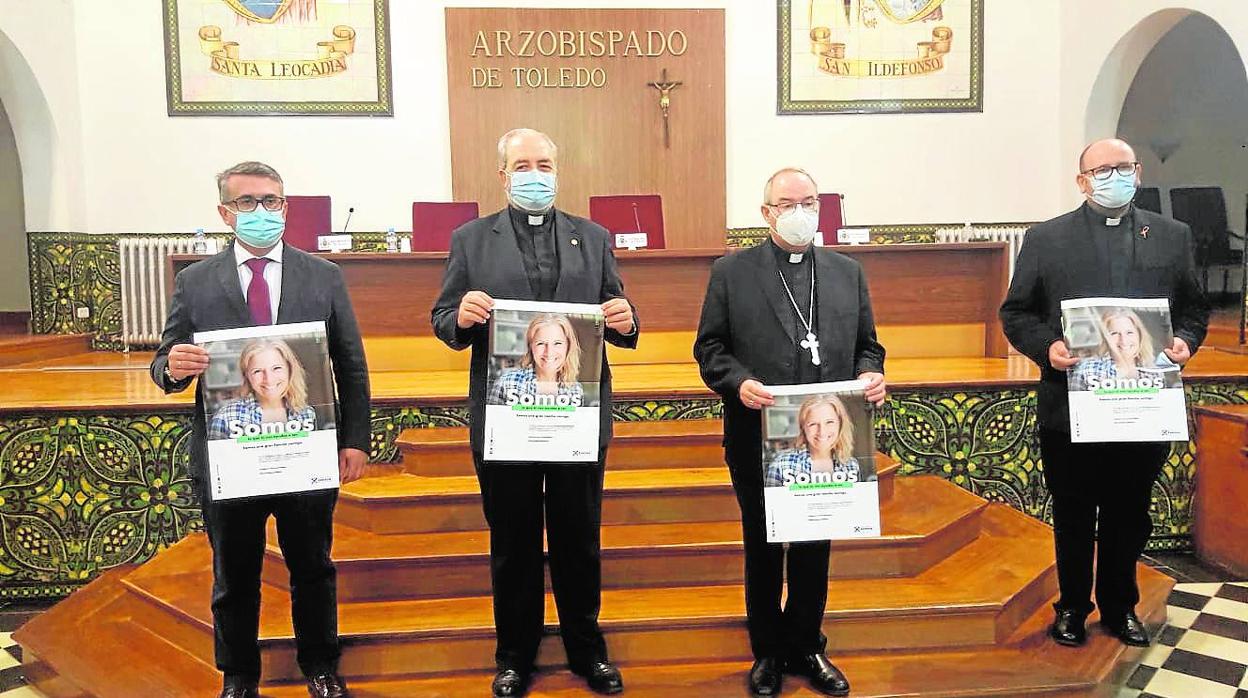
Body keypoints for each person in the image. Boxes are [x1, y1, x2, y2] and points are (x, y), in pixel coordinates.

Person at [150, 161, 370, 698]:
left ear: (285, 207)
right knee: (234, 576)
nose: (262, 212)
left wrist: (355, 439)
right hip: (231, 459)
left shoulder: (324, 276)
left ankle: (320, 666)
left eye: (271, 201)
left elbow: (350, 363)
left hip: (307, 455)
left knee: (313, 566)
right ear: (225, 213)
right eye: (248, 203)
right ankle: (240, 675)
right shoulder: (194, 282)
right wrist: (171, 367)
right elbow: (165, 363)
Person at [431, 128, 638, 698]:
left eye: (544, 164)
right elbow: (444, 319)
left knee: (578, 538)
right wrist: (462, 316)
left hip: (576, 415)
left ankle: (586, 649)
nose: (534, 174)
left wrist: (626, 319)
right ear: (502, 175)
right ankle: (515, 656)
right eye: (522, 165)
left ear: (558, 169)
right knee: (515, 541)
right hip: (508, 419)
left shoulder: (592, 238)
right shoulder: (471, 240)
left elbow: (618, 315)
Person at [1000, 138, 1208, 649]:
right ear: (1082, 180)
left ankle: (1120, 606)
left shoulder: (1172, 235)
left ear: (1137, 172)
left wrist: (1185, 341)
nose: (1114, 176)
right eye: (1102, 169)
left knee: (1129, 510)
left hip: (1143, 406)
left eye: (1123, 167)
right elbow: (1016, 312)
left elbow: (1193, 310)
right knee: (1072, 512)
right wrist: (1047, 347)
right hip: (1070, 405)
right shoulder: (1047, 239)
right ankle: (1071, 607)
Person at [694, 167, 886, 697]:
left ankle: (806, 645)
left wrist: (872, 374)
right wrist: (740, 383)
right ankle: (767, 654)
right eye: (786, 203)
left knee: (814, 545)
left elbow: (869, 344)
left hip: (828, 436)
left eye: (808, 202)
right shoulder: (732, 273)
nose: (799, 211)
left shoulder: (847, 271)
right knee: (763, 543)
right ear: (766, 213)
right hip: (758, 432)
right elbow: (710, 350)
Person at [209, 339, 317, 439]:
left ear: (290, 369)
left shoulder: (306, 414)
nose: (269, 379)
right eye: (257, 371)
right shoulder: (226, 417)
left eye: (276, 368)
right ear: (246, 376)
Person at [764, 394, 861, 488]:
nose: (822, 432)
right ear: (803, 427)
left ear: (840, 424)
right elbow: (772, 504)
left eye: (829, 422)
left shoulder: (851, 465)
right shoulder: (781, 464)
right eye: (813, 424)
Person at [1068, 308, 1175, 391]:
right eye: (1114, 333)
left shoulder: (1155, 373)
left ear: (1139, 335)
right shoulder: (1086, 370)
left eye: (1129, 332)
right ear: (1105, 339)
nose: (1123, 340)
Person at [490, 313, 584, 405]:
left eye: (557, 343)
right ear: (531, 347)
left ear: (568, 346)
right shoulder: (506, 383)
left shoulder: (575, 389)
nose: (549, 352)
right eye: (541, 343)